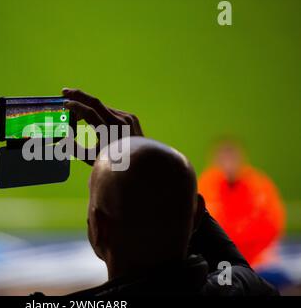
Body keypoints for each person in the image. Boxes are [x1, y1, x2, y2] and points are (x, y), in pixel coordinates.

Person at [53, 88, 278, 295]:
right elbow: (237, 269)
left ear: (98, 228)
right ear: (196, 215)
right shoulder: (241, 290)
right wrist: (139, 157)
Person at [199, 139, 285, 267]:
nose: (228, 166)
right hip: (221, 258)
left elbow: (272, 223)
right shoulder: (206, 186)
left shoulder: (258, 185)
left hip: (257, 260)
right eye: (224, 160)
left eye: (231, 160)